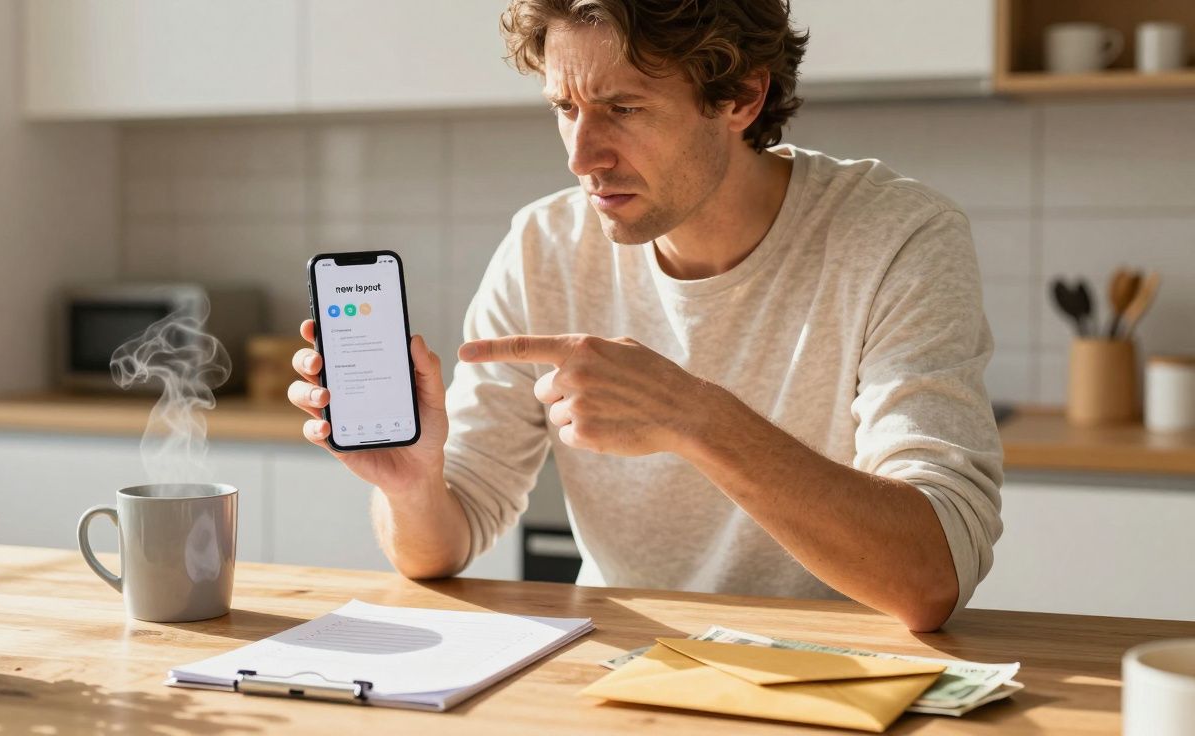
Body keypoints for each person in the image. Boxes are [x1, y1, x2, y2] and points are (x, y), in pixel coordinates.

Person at [289, 0, 1002, 632]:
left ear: (742, 97)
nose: (580, 156)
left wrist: (692, 416)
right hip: (622, 673)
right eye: (565, 108)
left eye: (623, 109)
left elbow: (931, 578)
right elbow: (441, 546)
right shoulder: (544, 246)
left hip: (838, 677)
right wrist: (413, 487)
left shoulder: (897, 236)